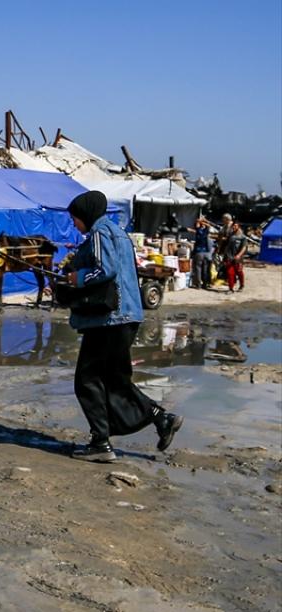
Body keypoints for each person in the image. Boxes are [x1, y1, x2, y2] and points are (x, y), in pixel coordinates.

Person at [62, 190, 181, 463]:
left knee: (87, 380)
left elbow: (105, 269)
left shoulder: (99, 233)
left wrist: (77, 278)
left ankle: (101, 444)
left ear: (86, 214)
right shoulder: (118, 233)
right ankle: (160, 419)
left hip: (109, 319)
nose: (74, 224)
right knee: (114, 380)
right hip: (125, 317)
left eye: (74, 219)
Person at [191, 217, 213, 289]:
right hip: (206, 252)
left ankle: (198, 284)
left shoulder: (198, 231)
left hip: (199, 252)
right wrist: (204, 221)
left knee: (198, 268)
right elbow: (209, 226)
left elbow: (197, 225)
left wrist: (199, 221)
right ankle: (205, 284)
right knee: (205, 268)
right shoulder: (205, 231)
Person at [225, 222, 247, 292]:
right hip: (230, 257)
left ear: (238, 227)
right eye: (233, 226)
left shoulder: (243, 237)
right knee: (230, 273)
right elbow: (226, 245)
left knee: (239, 272)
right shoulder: (230, 236)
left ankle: (241, 285)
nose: (234, 227)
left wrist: (239, 255)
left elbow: (244, 247)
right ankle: (231, 288)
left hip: (238, 259)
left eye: (235, 226)